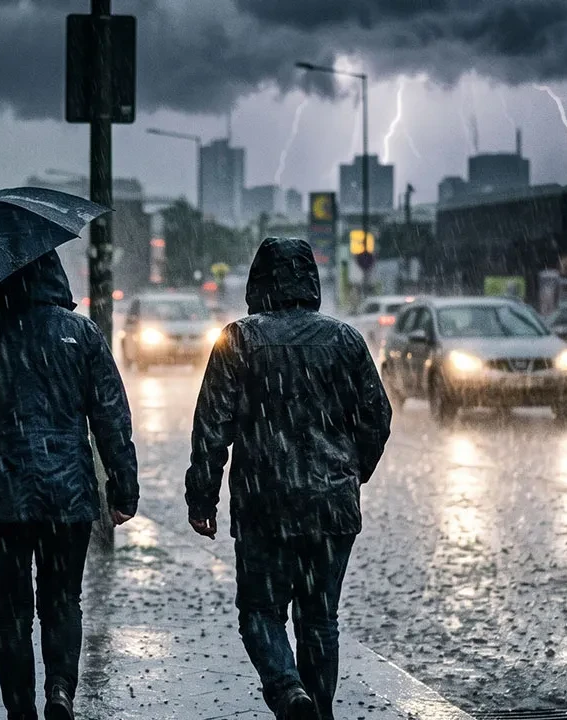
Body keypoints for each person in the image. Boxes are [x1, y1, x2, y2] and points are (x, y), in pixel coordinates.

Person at [184, 238, 391, 720]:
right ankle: (317, 708)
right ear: (311, 281)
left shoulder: (237, 339)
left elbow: (212, 428)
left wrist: (202, 499)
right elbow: (377, 417)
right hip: (331, 506)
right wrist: (350, 472)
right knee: (320, 619)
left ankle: (287, 690)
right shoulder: (345, 340)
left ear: (260, 283)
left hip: (264, 503)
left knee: (260, 612)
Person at [0, 251, 139, 720]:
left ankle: (19, 711)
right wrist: (123, 488)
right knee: (62, 600)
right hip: (65, 492)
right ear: (55, 275)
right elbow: (111, 415)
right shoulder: (80, 333)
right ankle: (60, 692)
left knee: (9, 612)